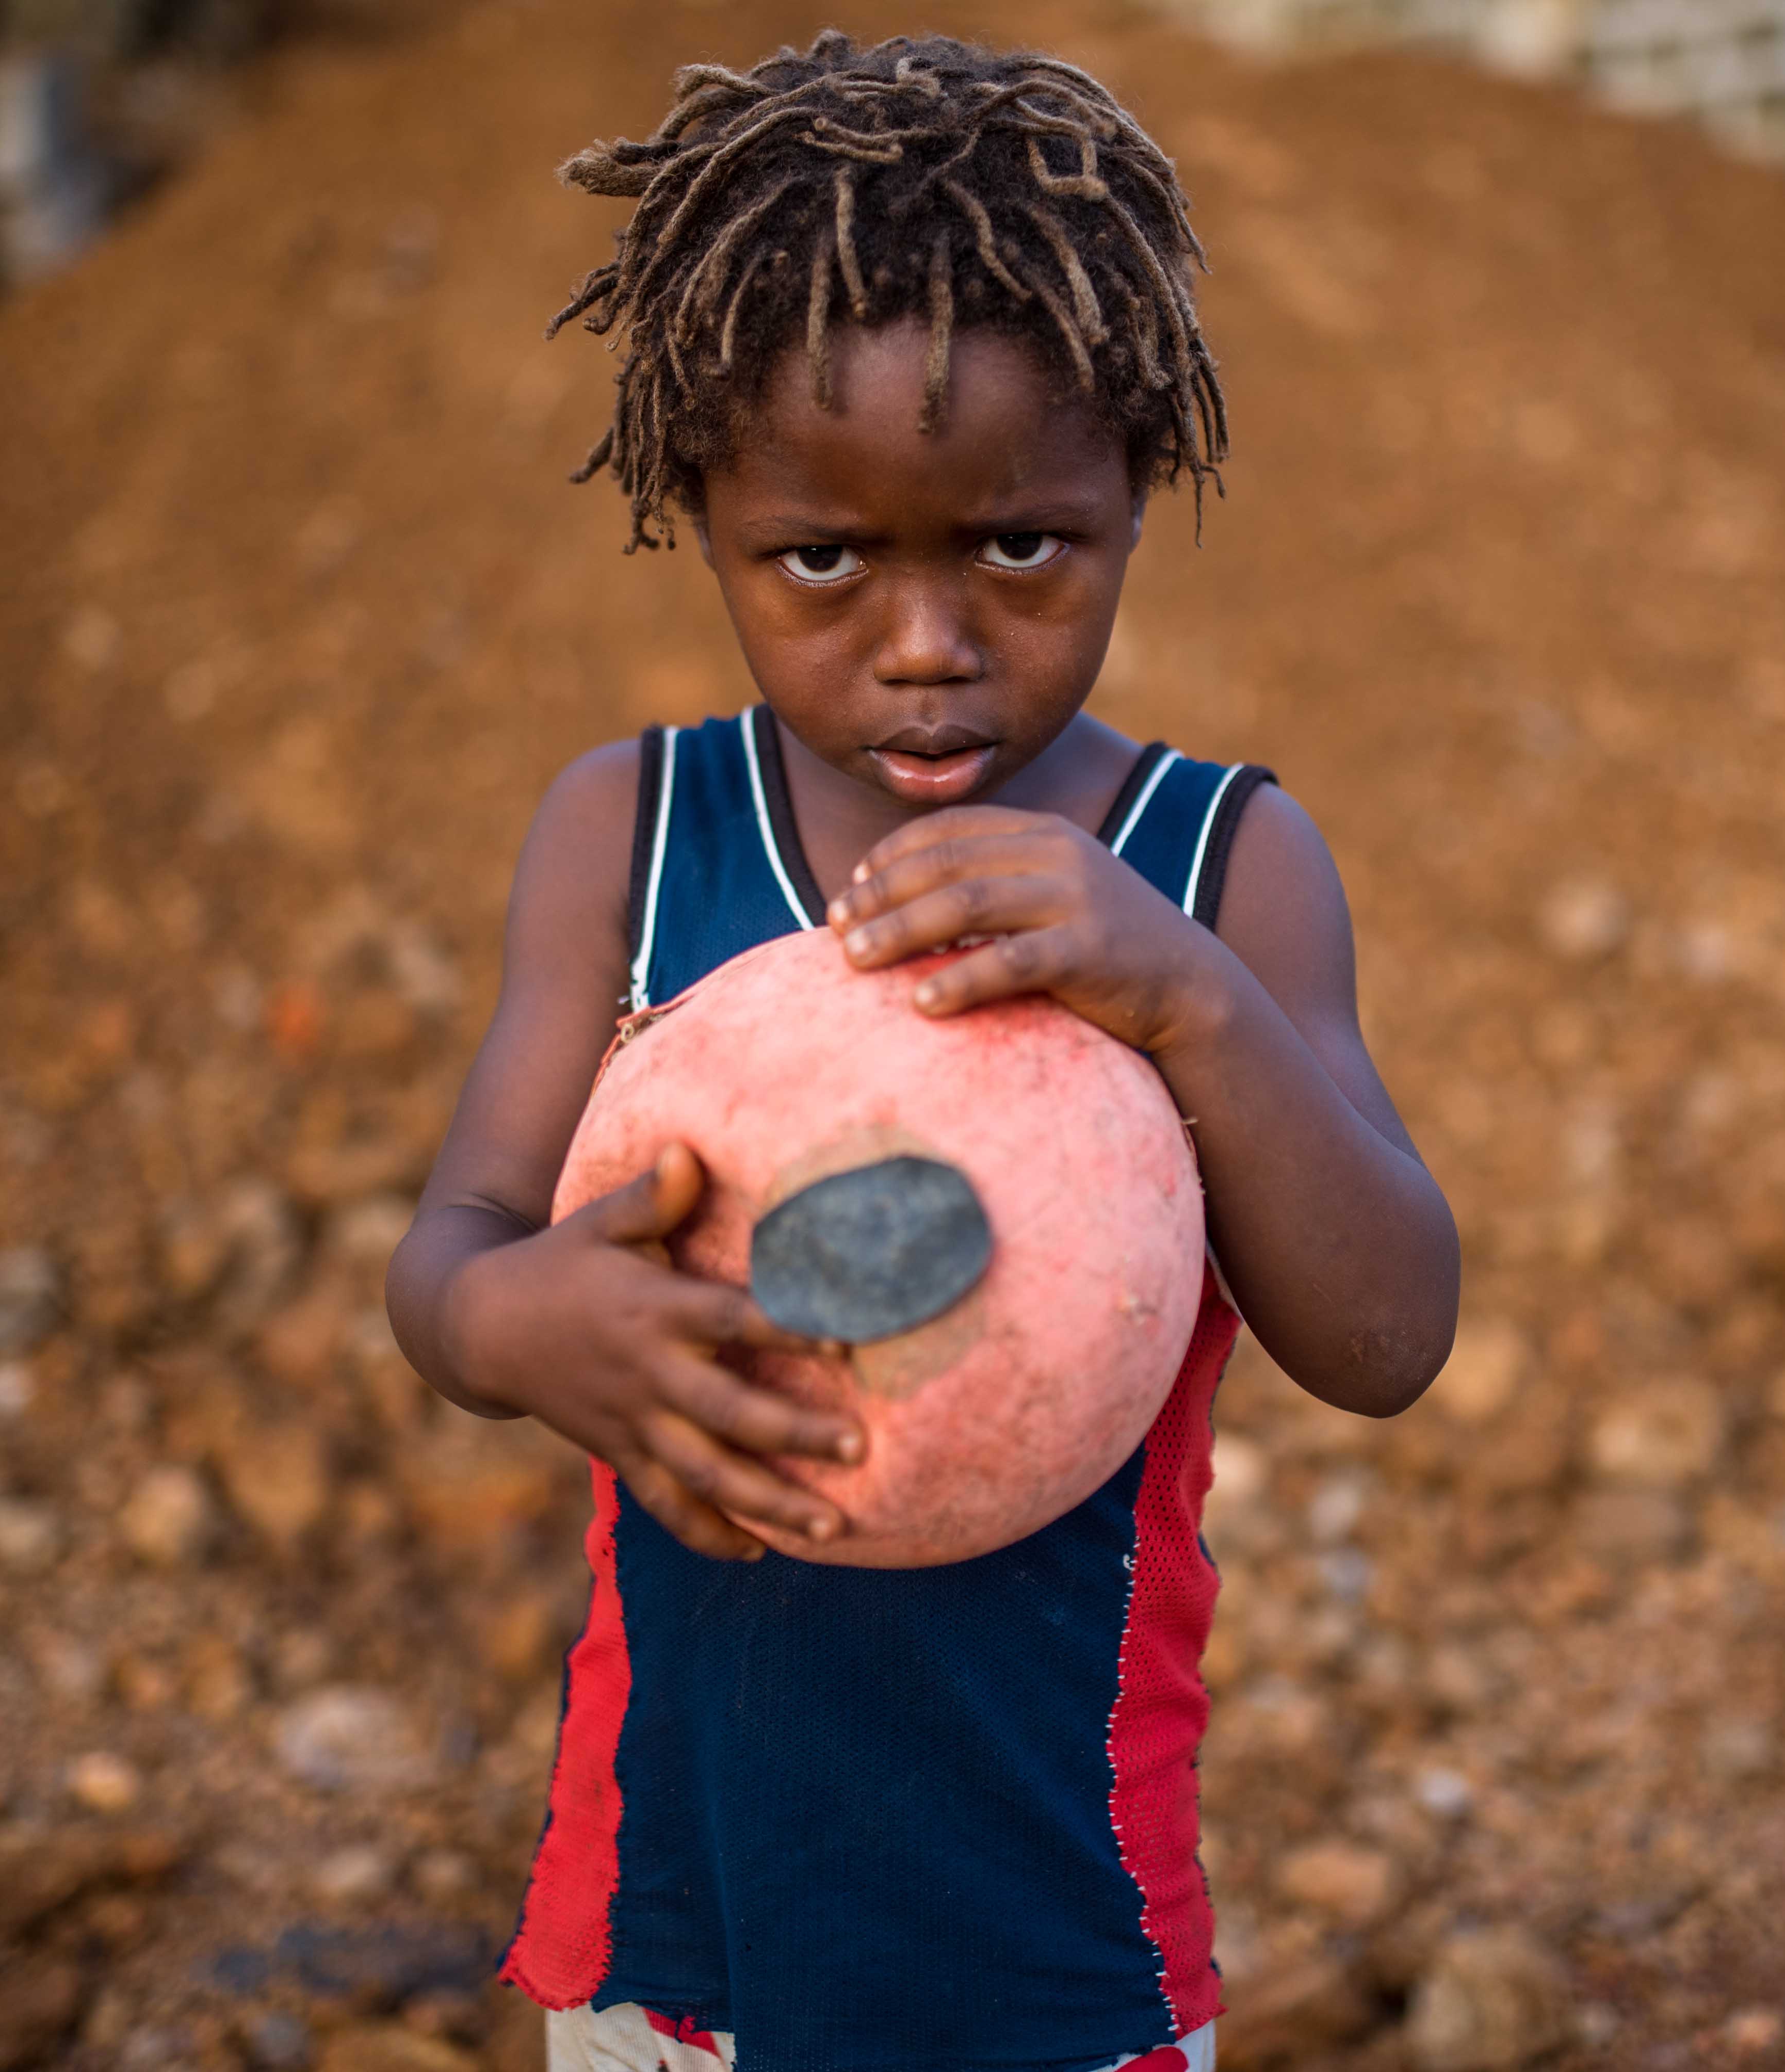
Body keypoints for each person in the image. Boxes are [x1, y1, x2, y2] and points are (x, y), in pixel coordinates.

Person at [385, 31, 1459, 2072]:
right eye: (823, 557)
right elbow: (449, 1251)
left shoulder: (1216, 870)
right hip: (671, 1916)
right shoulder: (631, 834)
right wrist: (519, 1322)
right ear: (692, 509)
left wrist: (1187, 1000)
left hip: (1050, 1921)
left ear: (1142, 483)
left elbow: (1392, 1331)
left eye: (1019, 545)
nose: (927, 640)